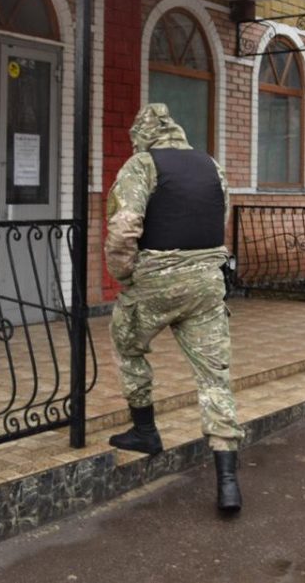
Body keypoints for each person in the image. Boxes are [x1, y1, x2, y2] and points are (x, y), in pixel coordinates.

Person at [104, 103, 244, 513]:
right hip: (206, 283)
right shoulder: (210, 165)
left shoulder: (141, 164)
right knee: (214, 376)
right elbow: (221, 215)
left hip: (158, 281)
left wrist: (124, 275)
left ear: (142, 134)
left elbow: (124, 227)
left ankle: (145, 431)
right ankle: (229, 481)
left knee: (128, 344)